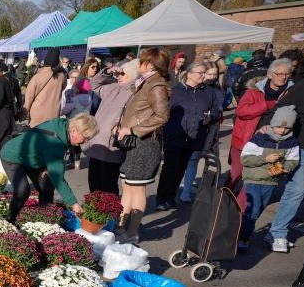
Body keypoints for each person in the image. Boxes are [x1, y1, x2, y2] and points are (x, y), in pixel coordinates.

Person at [113, 47, 171, 243]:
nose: (139, 64)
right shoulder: (144, 83)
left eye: (143, 61)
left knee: (136, 188)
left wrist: (132, 130)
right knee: (127, 186)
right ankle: (121, 227)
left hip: (144, 144)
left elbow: (162, 116)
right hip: (134, 143)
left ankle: (132, 233)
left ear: (152, 65)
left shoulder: (156, 86)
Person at [267, 60, 304, 252]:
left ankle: (276, 231)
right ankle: (277, 233)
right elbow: (280, 112)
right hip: (303, 147)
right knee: (296, 190)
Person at [0, 113, 100, 222]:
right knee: (22, 190)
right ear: (74, 131)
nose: (86, 142)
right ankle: (11, 219)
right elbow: (58, 179)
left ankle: (43, 219)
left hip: (32, 157)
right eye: (85, 138)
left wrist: (49, 164)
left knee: (46, 187)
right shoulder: (55, 143)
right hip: (12, 156)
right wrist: (74, 204)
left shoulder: (64, 125)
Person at [230, 58, 294, 214]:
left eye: (286, 74)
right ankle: (223, 200)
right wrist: (267, 105)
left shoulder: (292, 93)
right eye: (279, 74)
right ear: (270, 74)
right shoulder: (253, 91)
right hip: (244, 140)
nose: (283, 77)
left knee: (252, 180)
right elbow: (241, 111)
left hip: (268, 144)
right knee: (236, 175)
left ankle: (239, 213)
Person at [154, 61, 220, 211]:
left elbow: (216, 112)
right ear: (189, 74)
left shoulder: (208, 92)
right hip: (175, 135)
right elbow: (163, 111)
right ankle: (161, 198)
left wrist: (210, 117)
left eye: (205, 73)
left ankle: (170, 197)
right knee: (170, 168)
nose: (203, 76)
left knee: (181, 168)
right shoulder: (175, 90)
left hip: (196, 136)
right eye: (200, 73)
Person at [238, 106, 300, 252]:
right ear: (273, 124)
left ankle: (240, 229)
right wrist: (265, 158)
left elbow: (294, 160)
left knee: (258, 210)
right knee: (252, 210)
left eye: (287, 128)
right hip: (253, 179)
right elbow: (245, 159)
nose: (282, 130)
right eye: (279, 127)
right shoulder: (260, 138)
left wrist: (286, 168)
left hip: (271, 181)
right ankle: (243, 239)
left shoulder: (292, 142)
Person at [82, 59, 141, 195]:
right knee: (94, 184)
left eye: (122, 74)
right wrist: (108, 71)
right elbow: (94, 85)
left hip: (111, 145)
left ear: (132, 75)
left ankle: (110, 215)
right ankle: (94, 214)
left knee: (108, 185)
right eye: (118, 74)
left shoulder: (135, 92)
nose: (118, 76)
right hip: (96, 142)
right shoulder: (113, 87)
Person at [22, 49, 67, 127]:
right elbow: (63, 88)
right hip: (53, 113)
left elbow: (29, 96)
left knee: (36, 135)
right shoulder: (62, 76)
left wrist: (24, 112)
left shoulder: (37, 76)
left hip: (37, 113)